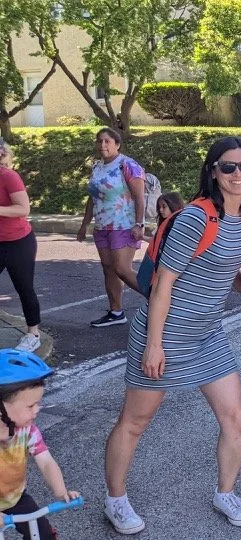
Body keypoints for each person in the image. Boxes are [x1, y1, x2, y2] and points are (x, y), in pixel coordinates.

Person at [104, 136, 241, 534]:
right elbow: (163, 284)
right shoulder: (196, 218)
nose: (237, 175)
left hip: (207, 334)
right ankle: (116, 499)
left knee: (236, 418)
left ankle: (225, 492)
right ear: (213, 171)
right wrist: (154, 344)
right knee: (135, 422)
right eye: (228, 167)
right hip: (166, 331)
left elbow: (229, 269)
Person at [0, 350, 79, 540]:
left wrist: (61, 491)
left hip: (15, 498)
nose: (38, 409)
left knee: (43, 534)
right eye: (30, 406)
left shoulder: (28, 431)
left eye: (38, 403)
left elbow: (46, 462)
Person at [77, 128, 146, 328]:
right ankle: (116, 312)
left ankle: (160, 300)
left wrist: (139, 224)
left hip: (124, 225)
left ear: (117, 144)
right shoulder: (97, 167)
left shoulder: (128, 165)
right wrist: (84, 224)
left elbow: (140, 197)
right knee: (109, 269)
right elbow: (92, 198)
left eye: (107, 141)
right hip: (102, 227)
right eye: (99, 141)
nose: (103, 145)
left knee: (122, 269)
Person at [0, 142, 42, 352]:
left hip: (18, 242)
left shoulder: (8, 176)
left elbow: (23, 208)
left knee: (24, 287)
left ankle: (33, 334)